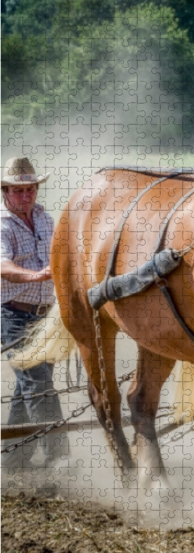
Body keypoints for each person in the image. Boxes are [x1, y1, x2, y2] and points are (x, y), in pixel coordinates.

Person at [1, 156, 68, 468]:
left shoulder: (45, 218)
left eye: (30, 189)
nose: (26, 195)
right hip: (13, 315)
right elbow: (3, 266)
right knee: (38, 386)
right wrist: (38, 275)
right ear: (5, 191)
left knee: (28, 386)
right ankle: (59, 458)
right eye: (18, 190)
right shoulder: (2, 225)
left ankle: (14, 460)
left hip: (46, 315)